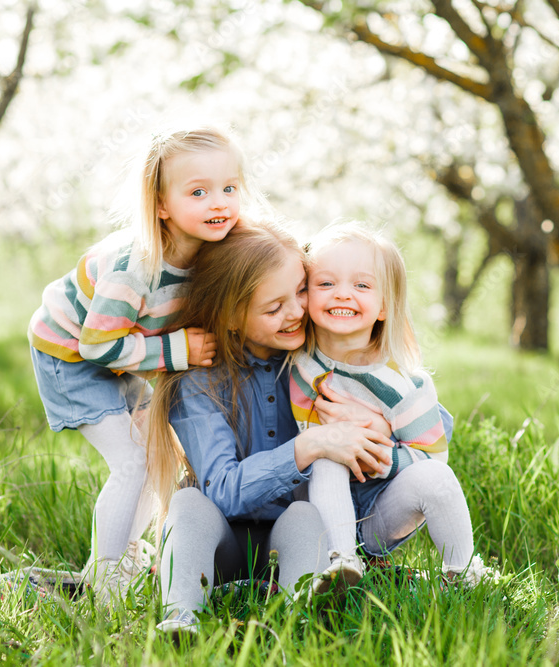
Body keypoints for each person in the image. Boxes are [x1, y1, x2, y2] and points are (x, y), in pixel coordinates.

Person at [27, 126, 255, 605]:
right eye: (198, 192)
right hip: (70, 354)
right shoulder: (137, 266)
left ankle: (127, 554)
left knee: (158, 454)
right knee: (130, 461)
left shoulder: (207, 252)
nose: (219, 202)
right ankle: (105, 584)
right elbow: (97, 344)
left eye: (229, 188)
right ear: (161, 204)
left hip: (125, 351)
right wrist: (179, 351)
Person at [145, 222, 400, 637]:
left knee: (303, 514)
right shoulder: (198, 382)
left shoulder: (314, 361)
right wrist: (312, 443)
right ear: (230, 317)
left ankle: (295, 620)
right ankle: (181, 620)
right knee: (189, 505)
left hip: (293, 541)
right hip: (220, 548)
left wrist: (379, 420)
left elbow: (421, 409)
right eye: (274, 307)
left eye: (301, 291)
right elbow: (223, 492)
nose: (297, 311)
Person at [290, 221, 485, 591]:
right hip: (317, 513)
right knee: (329, 451)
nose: (342, 295)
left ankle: (461, 573)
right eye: (326, 283)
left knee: (438, 479)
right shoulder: (297, 358)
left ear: (384, 306)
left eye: (361, 285)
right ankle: (342, 564)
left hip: (381, 510)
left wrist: (383, 455)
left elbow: (432, 458)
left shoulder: (404, 385)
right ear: (305, 293)